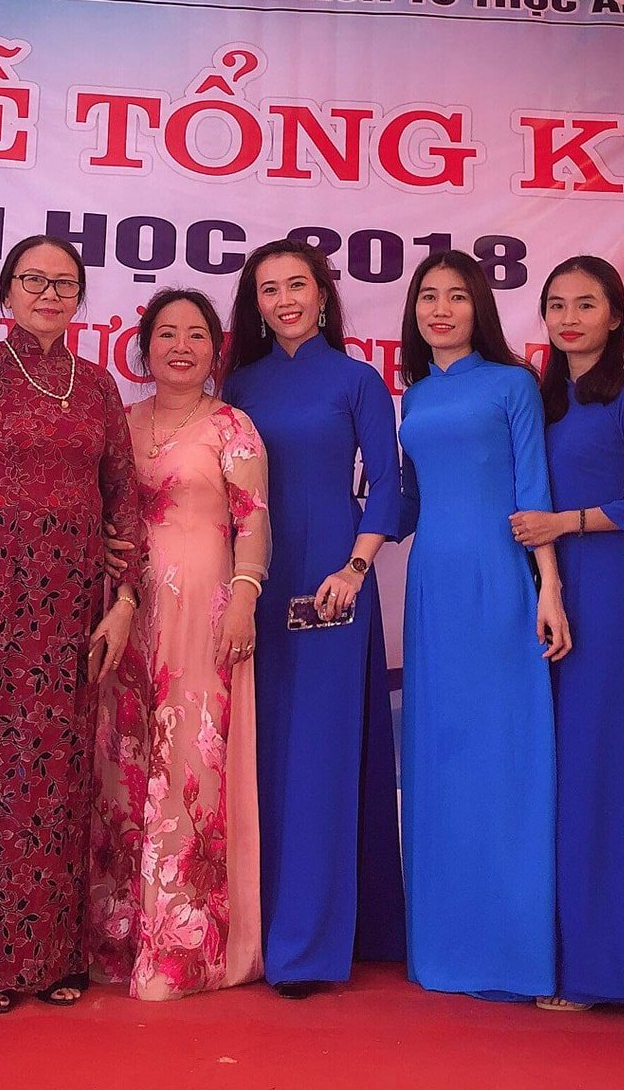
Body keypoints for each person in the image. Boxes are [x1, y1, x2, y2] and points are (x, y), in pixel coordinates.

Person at [0, 235, 148, 1013]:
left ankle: (54, 957)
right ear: (6, 292)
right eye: (33, 281)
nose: (49, 294)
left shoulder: (97, 385)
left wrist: (123, 601)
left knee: (61, 779)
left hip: (74, 609)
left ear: (80, 297)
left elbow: (123, 499)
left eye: (64, 283)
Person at [221, 238, 405, 995]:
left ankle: (309, 946)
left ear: (323, 295)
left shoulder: (358, 380)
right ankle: (257, 930)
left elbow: (388, 486)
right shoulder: (239, 384)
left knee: (321, 755)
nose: (285, 300)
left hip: (331, 586)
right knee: (262, 755)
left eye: (297, 285)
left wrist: (354, 569)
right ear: (256, 305)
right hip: (253, 586)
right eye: (269, 290)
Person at [88, 289, 269, 999]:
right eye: (167, 334)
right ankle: (118, 938)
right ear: (144, 347)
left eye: (197, 334)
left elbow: (254, 521)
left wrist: (244, 599)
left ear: (215, 349)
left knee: (190, 758)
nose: (181, 347)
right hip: (126, 609)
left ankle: (184, 952)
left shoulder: (233, 426)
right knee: (123, 761)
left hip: (204, 609)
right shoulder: (122, 421)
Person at [396, 251, 568, 998]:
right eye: (428, 297)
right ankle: (445, 943)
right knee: (441, 756)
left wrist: (549, 585)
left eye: (457, 297)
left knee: (505, 755)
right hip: (432, 584)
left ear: (480, 309)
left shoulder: (513, 384)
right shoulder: (414, 395)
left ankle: (513, 950)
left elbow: (534, 490)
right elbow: (407, 500)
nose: (441, 310)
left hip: (498, 577)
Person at [511, 255, 624, 1010]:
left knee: (595, 768)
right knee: (542, 771)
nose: (569, 318)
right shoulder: (536, 398)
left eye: (586, 304)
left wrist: (570, 522)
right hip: (533, 586)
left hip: (605, 591)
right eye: (556, 305)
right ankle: (539, 952)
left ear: (615, 316)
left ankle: (602, 968)